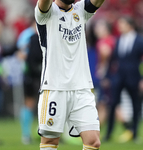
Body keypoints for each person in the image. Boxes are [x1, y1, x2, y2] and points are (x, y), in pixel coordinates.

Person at [34, 0, 105, 149]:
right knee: (50, 141)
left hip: (82, 88)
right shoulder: (47, 12)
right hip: (54, 88)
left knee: (93, 141)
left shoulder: (81, 10)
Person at [104, 16, 143, 143]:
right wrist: (107, 76)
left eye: (122, 24)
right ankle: (108, 134)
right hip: (118, 77)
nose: (119, 27)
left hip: (134, 78)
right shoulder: (118, 40)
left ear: (130, 25)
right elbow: (112, 60)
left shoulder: (140, 40)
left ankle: (134, 134)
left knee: (135, 106)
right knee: (112, 105)